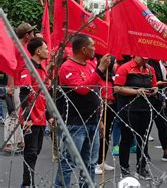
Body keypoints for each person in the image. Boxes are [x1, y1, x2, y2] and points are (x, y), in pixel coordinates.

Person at [54, 34, 111, 187]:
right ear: (83, 49)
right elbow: (83, 90)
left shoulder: (91, 64)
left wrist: (100, 120)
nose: (95, 49)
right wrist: (100, 70)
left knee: (90, 164)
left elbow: (95, 93)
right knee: (68, 163)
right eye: (92, 46)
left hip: (93, 122)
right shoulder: (67, 67)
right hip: (75, 124)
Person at [114, 56, 158, 179]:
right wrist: (136, 92)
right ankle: (124, 168)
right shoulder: (125, 68)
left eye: (147, 59)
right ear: (135, 55)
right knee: (126, 139)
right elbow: (117, 88)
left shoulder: (150, 69)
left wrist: (154, 89)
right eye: (143, 58)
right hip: (129, 109)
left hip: (146, 108)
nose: (145, 61)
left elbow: (154, 85)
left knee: (143, 139)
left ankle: (141, 168)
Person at [20, 37, 53, 187]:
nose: (48, 51)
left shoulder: (42, 69)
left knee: (36, 152)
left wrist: (49, 116)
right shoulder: (28, 69)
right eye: (45, 48)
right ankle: (27, 184)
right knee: (30, 153)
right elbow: (24, 95)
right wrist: (26, 118)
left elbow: (44, 96)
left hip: (41, 118)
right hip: (31, 119)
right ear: (38, 51)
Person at [3, 22, 35, 154]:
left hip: (22, 84)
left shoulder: (25, 47)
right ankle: (9, 143)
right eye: (32, 32)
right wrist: (11, 86)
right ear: (26, 35)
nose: (33, 34)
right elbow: (10, 67)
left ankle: (19, 141)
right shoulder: (16, 47)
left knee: (19, 112)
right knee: (13, 113)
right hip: (16, 84)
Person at [146, 59, 167, 163]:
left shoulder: (159, 63)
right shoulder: (149, 64)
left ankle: (166, 152)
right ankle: (144, 153)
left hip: (159, 98)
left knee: (162, 126)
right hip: (149, 99)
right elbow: (148, 82)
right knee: (146, 128)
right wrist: (156, 84)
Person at [95, 56, 117, 175]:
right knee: (100, 135)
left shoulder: (112, 78)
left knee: (107, 135)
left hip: (111, 107)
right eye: (115, 63)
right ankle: (95, 162)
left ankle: (102, 160)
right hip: (101, 107)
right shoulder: (98, 78)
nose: (116, 65)